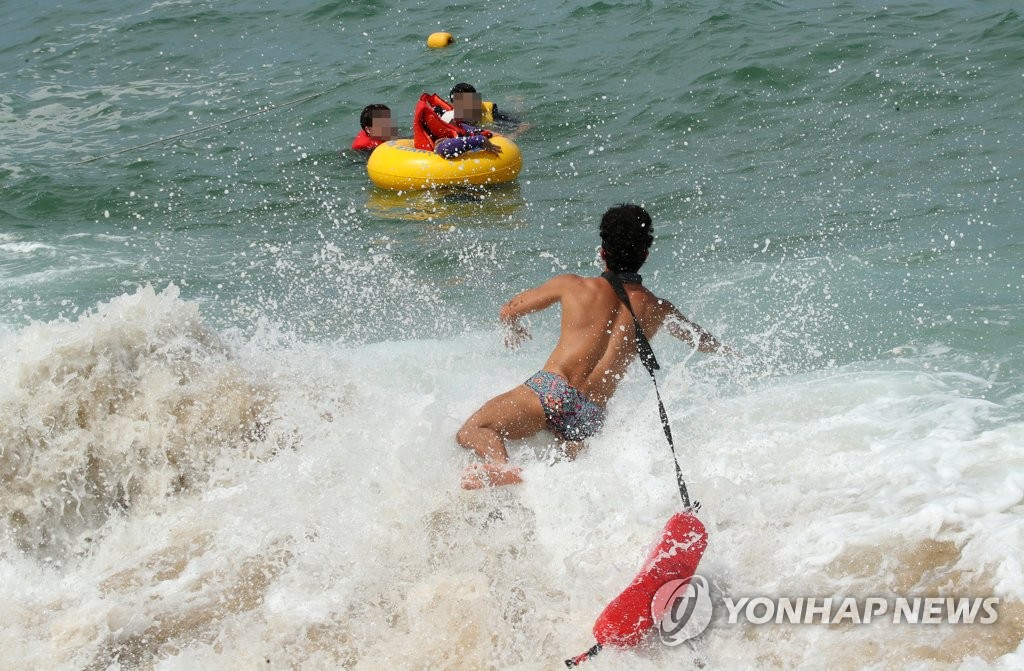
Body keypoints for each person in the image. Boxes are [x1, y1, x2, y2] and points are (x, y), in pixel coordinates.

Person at [456, 204, 738, 489]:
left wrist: (513, 327)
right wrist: (732, 353)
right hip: (589, 414)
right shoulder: (658, 308)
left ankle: (505, 469)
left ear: (602, 251)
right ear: (646, 255)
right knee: (562, 482)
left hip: (554, 390)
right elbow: (702, 341)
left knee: (474, 429)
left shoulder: (573, 286)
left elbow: (509, 310)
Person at [411, 92, 502, 159]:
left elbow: (476, 131)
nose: (459, 123)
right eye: (455, 121)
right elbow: (445, 149)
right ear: (446, 125)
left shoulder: (459, 127)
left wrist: (487, 135)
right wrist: (479, 140)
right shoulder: (440, 141)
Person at [441, 83, 528, 138]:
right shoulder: (451, 117)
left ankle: (518, 101)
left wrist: (512, 135)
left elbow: (525, 125)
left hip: (493, 120)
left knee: (519, 113)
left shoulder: (491, 112)